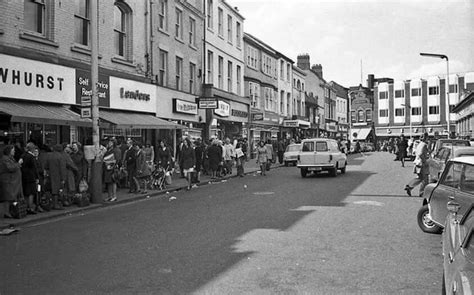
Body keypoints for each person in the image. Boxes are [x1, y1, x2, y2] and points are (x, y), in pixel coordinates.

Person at [0, 145, 23, 219]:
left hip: (12, 181)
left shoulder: (10, 158)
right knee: (7, 197)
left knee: (11, 197)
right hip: (7, 180)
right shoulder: (5, 159)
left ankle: (9, 211)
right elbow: (10, 168)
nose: (14, 152)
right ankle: (6, 213)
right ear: (9, 151)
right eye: (13, 150)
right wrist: (18, 163)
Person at [405, 132, 430, 197]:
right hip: (422, 163)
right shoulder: (424, 145)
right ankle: (422, 192)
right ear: (426, 138)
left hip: (418, 162)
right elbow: (420, 154)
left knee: (420, 178)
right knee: (425, 179)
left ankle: (410, 186)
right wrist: (424, 161)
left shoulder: (420, 144)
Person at [44, 144, 67, 210]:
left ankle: (51, 203)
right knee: (57, 190)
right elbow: (62, 168)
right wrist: (63, 178)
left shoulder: (49, 155)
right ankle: (56, 204)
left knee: (51, 189)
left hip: (50, 175)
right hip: (58, 175)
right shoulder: (61, 157)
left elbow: (46, 166)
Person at [20, 142, 40, 214]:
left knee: (25, 193)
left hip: (24, 177)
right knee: (31, 193)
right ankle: (30, 208)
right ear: (32, 149)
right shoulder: (31, 157)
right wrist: (37, 177)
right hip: (31, 177)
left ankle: (25, 208)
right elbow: (34, 168)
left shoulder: (23, 155)